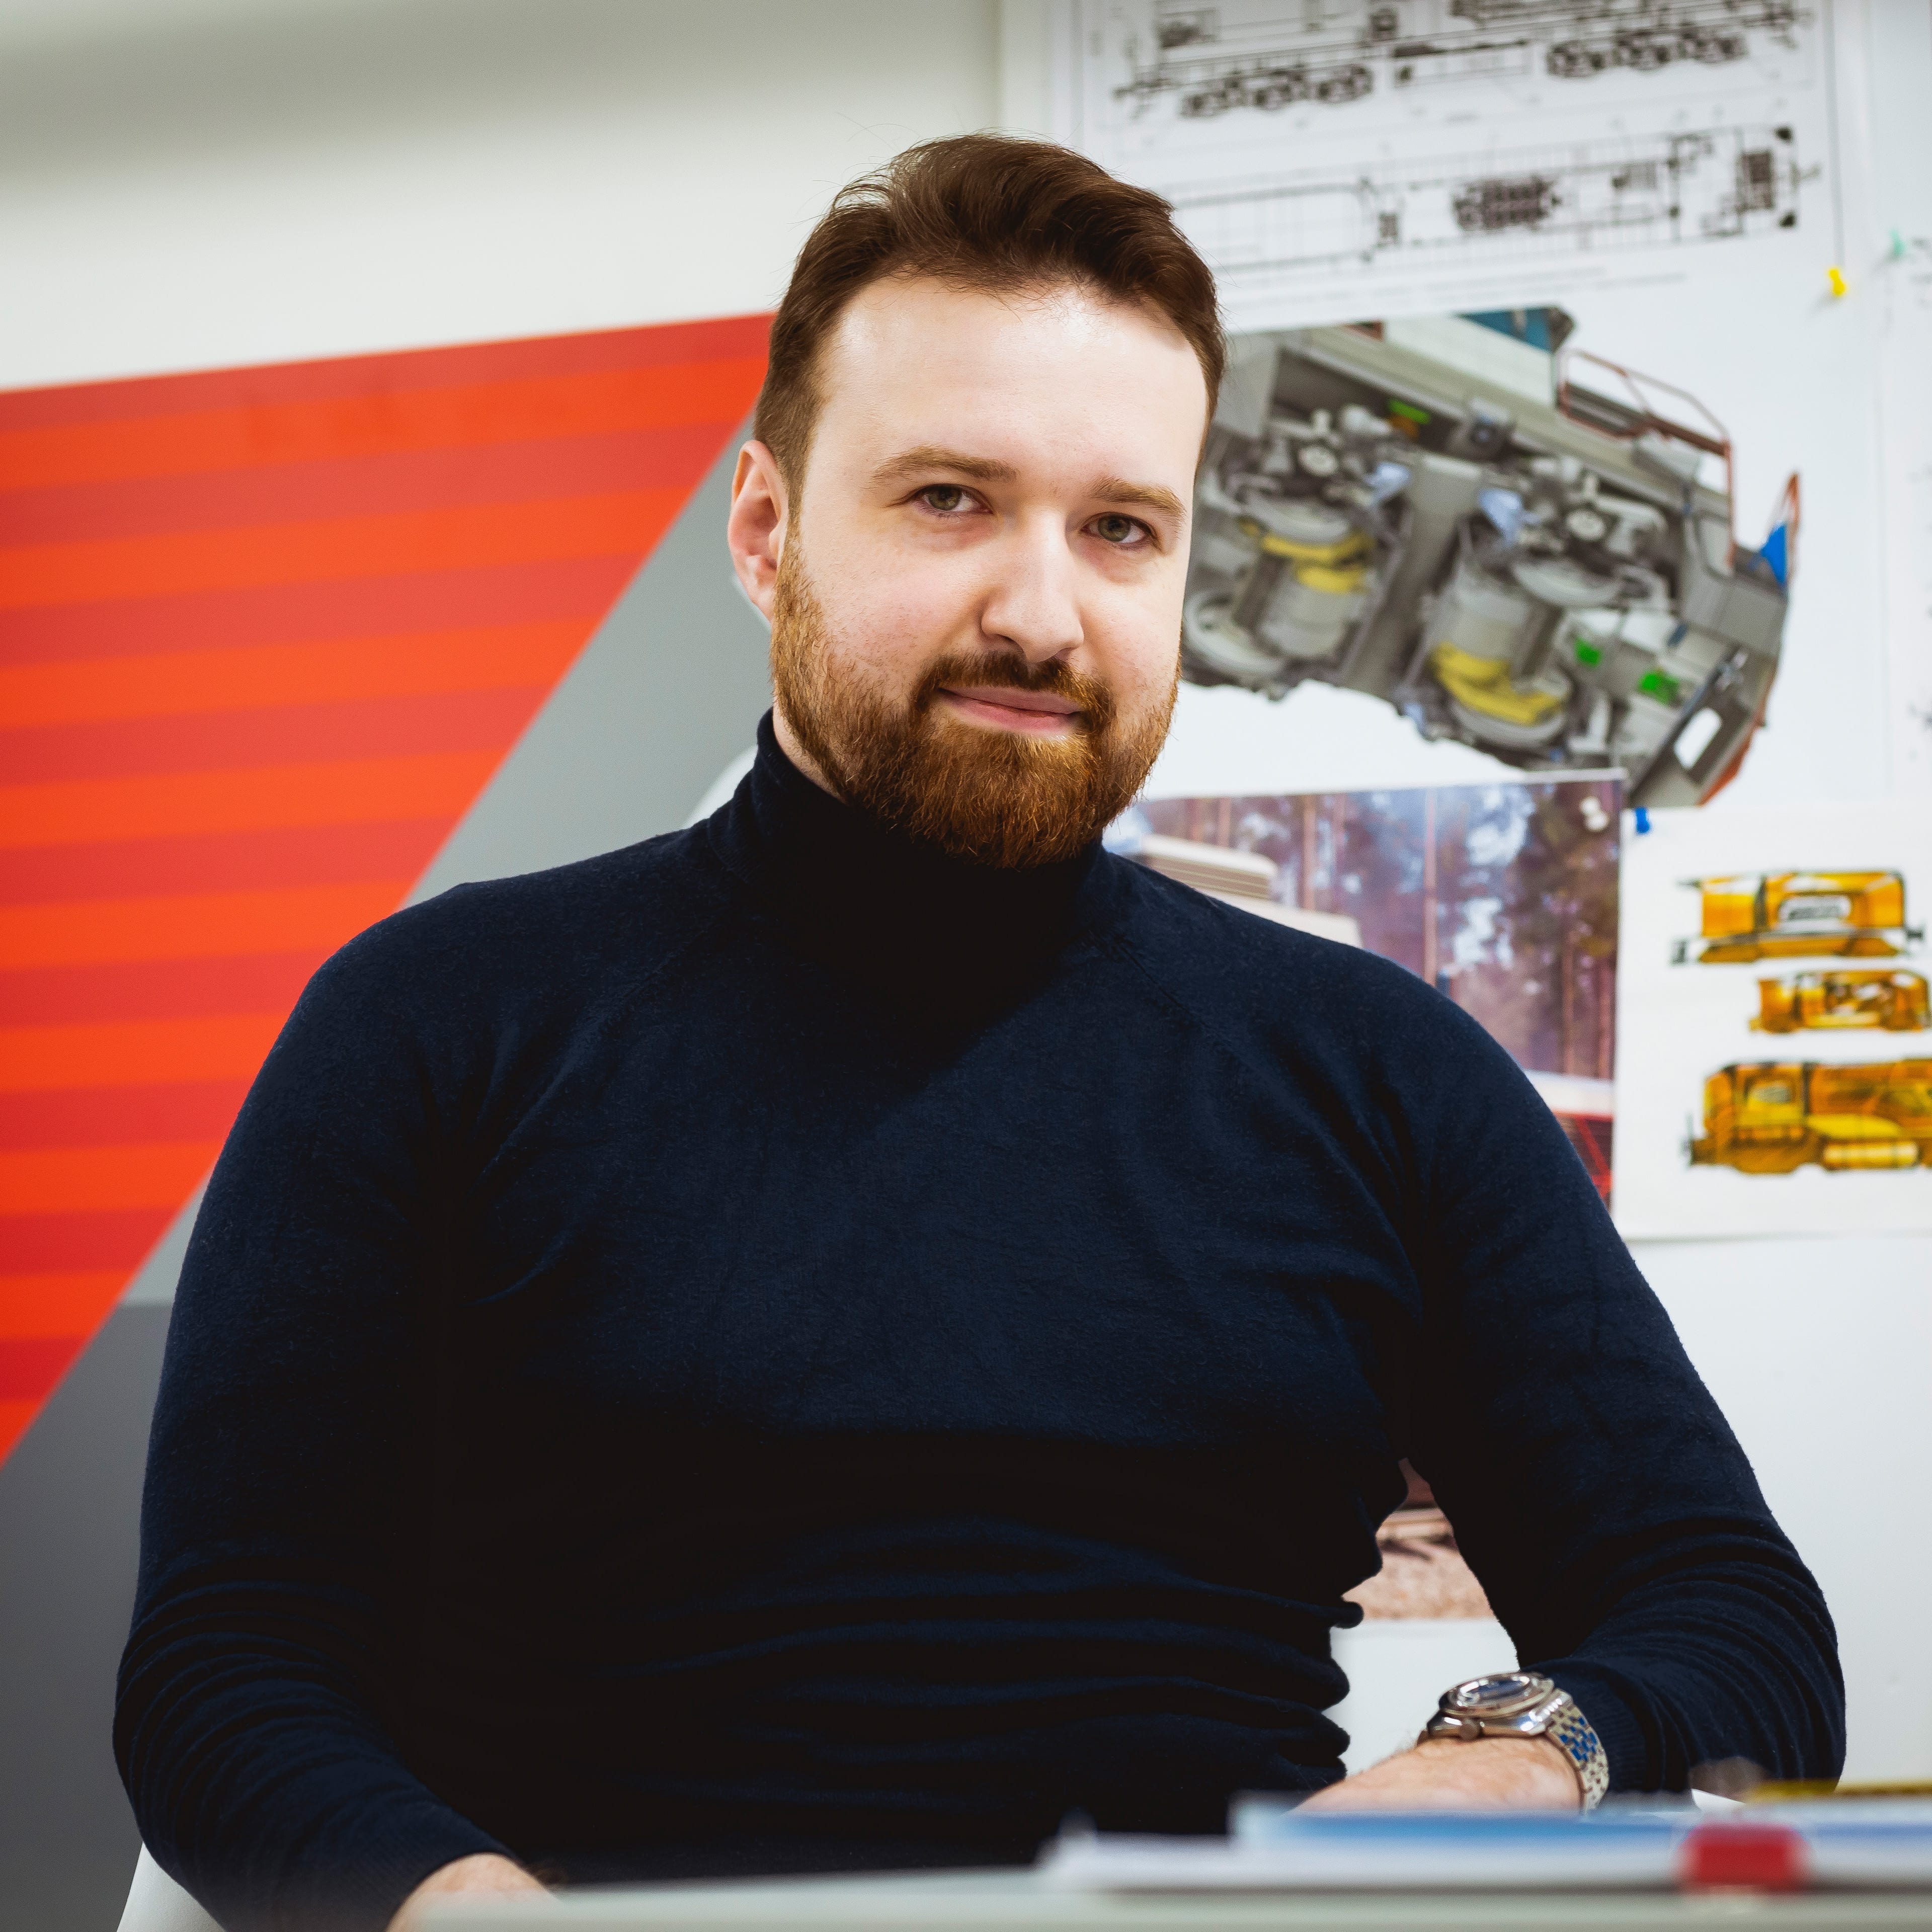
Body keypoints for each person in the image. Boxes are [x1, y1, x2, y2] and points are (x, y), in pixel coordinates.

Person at [116, 135, 1842, 1932]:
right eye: (950, 499)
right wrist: (469, 1913)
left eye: (1121, 528)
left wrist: (1501, 1760)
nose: (1040, 612)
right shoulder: (438, 1023)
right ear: (766, 531)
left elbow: (1730, 1621)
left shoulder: (1381, 1073)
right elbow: (229, 1671)